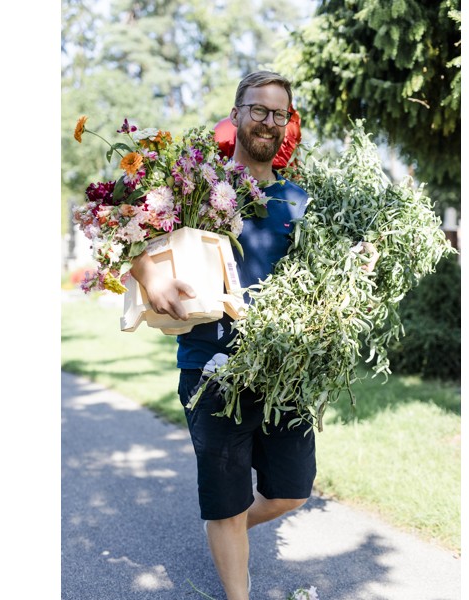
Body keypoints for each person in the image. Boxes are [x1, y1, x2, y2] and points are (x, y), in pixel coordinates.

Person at [129, 71, 313, 600]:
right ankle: (231, 558)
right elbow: (123, 237)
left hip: (282, 370)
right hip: (208, 363)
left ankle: (225, 529)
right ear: (236, 114)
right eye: (259, 109)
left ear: (287, 125)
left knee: (292, 491)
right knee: (226, 498)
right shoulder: (195, 189)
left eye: (279, 113)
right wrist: (150, 272)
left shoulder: (298, 200)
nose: (269, 121)